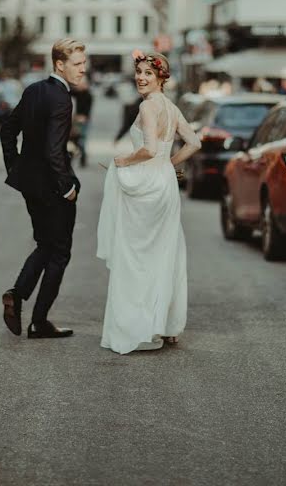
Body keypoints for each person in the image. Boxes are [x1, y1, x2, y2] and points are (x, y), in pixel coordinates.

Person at [96, 50, 201, 354]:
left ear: (160, 79)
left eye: (148, 74)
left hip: (145, 184)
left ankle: (138, 326)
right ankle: (166, 325)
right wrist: (170, 164)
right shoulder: (171, 107)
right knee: (165, 253)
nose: (141, 78)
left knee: (136, 258)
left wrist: (124, 160)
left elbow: (149, 149)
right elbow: (194, 143)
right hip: (164, 185)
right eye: (139, 72)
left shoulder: (147, 108)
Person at [0, 38, 85, 340]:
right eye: (77, 64)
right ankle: (38, 321)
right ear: (60, 64)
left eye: (84, 64)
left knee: (45, 245)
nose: (83, 70)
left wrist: (16, 167)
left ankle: (18, 295)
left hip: (30, 185)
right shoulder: (61, 98)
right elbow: (53, 150)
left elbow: (8, 129)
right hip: (52, 187)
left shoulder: (34, 90)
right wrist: (66, 187)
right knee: (60, 252)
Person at [70, 78, 94, 167]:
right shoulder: (77, 93)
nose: (79, 85)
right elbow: (68, 90)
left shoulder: (89, 95)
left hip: (84, 120)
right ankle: (73, 156)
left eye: (82, 83)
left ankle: (83, 158)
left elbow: (88, 109)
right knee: (73, 139)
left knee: (81, 140)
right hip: (75, 120)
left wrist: (83, 117)